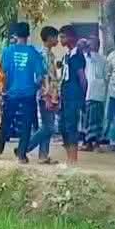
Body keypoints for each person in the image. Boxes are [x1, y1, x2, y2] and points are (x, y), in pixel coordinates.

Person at [0, 22, 45, 164]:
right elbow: (40, 76)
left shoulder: (8, 51)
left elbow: (2, 73)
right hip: (28, 93)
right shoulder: (34, 53)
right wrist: (35, 87)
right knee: (27, 124)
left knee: (6, 122)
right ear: (28, 35)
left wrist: (5, 89)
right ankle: (21, 156)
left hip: (12, 92)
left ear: (15, 35)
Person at [23, 26, 61, 164]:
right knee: (49, 127)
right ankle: (24, 148)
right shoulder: (43, 55)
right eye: (55, 37)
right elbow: (42, 77)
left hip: (52, 94)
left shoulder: (50, 55)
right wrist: (46, 97)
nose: (57, 40)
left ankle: (43, 156)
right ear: (49, 38)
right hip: (46, 95)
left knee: (47, 125)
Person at [58, 25, 88, 165]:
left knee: (71, 126)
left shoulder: (77, 56)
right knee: (63, 126)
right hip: (65, 95)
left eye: (63, 37)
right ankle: (68, 157)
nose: (61, 40)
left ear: (71, 37)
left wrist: (82, 97)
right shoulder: (67, 55)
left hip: (74, 96)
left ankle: (73, 159)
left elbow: (82, 78)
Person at [81, 38, 108, 151]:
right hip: (86, 93)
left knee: (96, 119)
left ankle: (96, 143)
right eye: (89, 44)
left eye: (94, 44)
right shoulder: (83, 58)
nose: (91, 47)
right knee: (86, 119)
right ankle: (88, 143)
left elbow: (106, 76)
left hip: (98, 93)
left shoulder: (103, 59)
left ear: (98, 45)